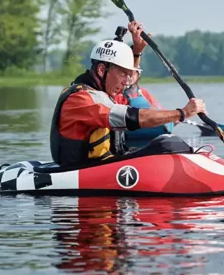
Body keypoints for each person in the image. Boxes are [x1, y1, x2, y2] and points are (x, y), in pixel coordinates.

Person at [49, 22, 206, 167]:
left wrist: (136, 51)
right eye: (123, 74)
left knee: (169, 144)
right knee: (167, 145)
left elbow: (131, 82)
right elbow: (134, 118)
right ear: (102, 70)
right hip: (83, 170)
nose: (126, 81)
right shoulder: (82, 100)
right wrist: (182, 113)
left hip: (104, 163)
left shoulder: (106, 92)